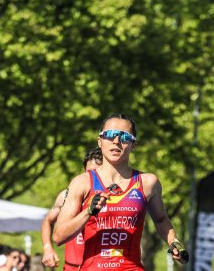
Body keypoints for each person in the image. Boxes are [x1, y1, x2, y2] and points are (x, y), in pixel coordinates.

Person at [53, 113, 187, 270]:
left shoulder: (148, 182)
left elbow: (161, 220)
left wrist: (174, 242)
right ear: (100, 141)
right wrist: (88, 211)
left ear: (133, 145)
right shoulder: (82, 182)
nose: (116, 141)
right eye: (110, 135)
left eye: (124, 137)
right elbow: (58, 236)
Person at [41, 147, 103, 269]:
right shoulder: (66, 196)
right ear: (84, 171)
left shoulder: (115, 197)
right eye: (89, 172)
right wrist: (47, 248)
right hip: (72, 267)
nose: (93, 176)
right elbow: (47, 221)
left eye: (98, 172)